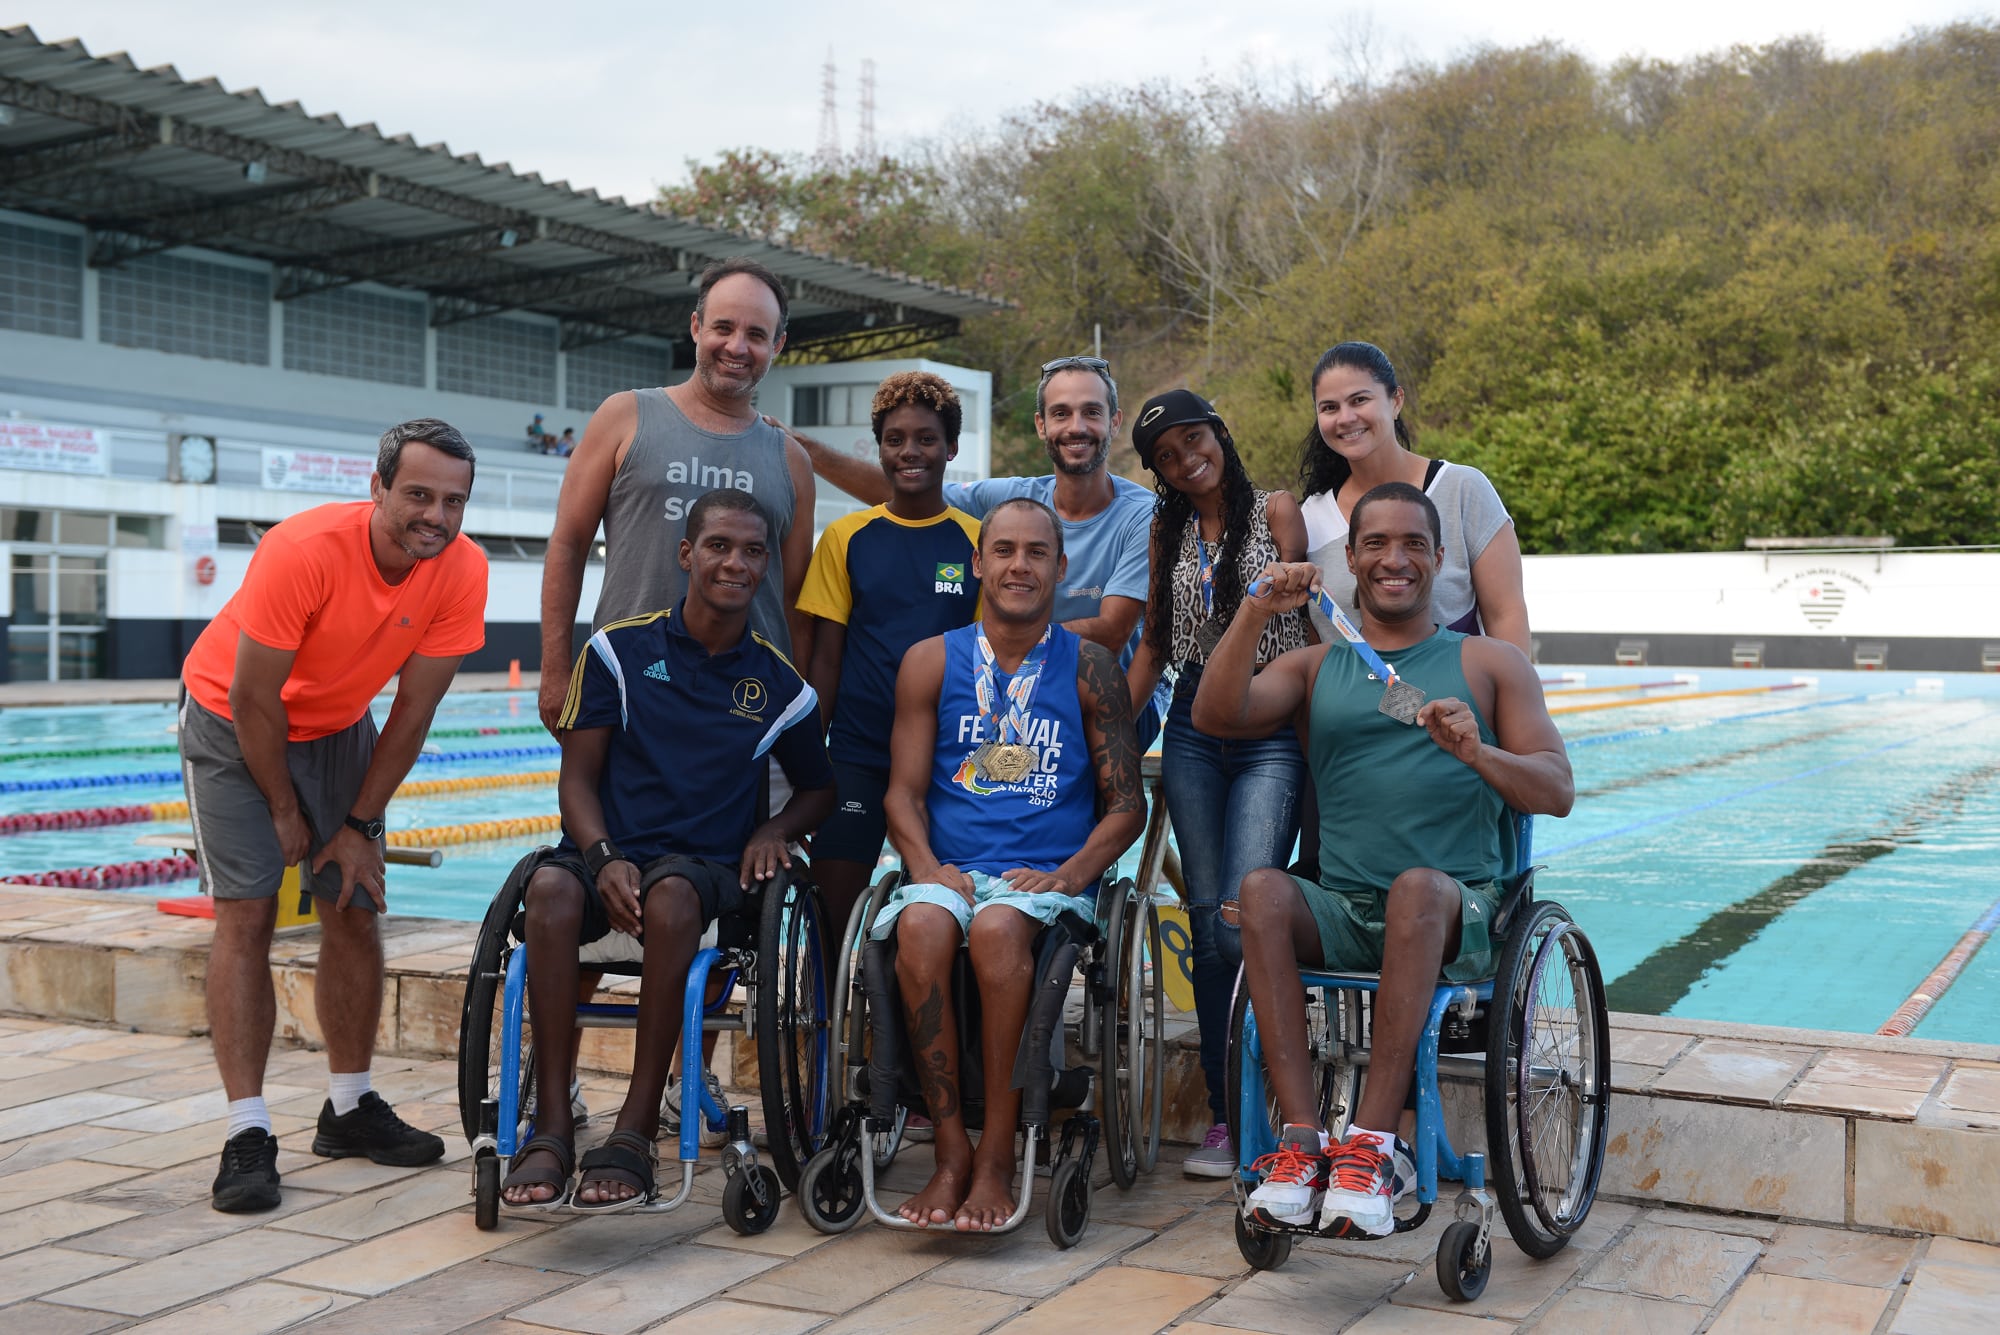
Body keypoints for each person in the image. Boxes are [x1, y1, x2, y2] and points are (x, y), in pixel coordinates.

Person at [1192, 482, 1572, 1240]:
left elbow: (1556, 789)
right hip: (1347, 908)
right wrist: (1255, 608)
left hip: (1454, 909)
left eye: (1413, 544)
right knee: (1264, 888)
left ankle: (1368, 1145)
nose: (1394, 559)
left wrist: (1480, 751)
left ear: (1439, 558)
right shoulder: (1315, 667)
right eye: (1375, 544)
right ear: (1350, 561)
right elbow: (1214, 715)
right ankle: (1300, 1142)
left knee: (1418, 889)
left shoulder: (1490, 663)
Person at [178, 419, 488, 1213]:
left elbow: (413, 714)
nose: (438, 516)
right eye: (419, 494)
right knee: (247, 914)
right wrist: (284, 809)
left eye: (454, 500)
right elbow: (253, 698)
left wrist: (360, 824)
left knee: (354, 898)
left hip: (339, 726)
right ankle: (247, 1132)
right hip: (231, 717)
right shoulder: (303, 549)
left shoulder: (461, 569)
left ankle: (349, 1107)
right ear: (377, 486)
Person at [500, 489, 835, 1211]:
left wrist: (775, 829)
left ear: (767, 566)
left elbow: (819, 790)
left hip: (702, 870)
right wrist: (599, 855)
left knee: (673, 894)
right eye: (718, 545)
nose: (734, 562)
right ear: (687, 554)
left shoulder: (780, 685)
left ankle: (633, 1128)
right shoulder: (619, 653)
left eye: (752, 551)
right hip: (605, 856)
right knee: (550, 891)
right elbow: (577, 780)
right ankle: (552, 1123)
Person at [877, 497, 1144, 1230]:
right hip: (952, 869)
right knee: (923, 928)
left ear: (1060, 568)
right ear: (978, 562)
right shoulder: (931, 660)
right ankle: (951, 1149)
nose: (1019, 565)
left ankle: (998, 1149)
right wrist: (925, 864)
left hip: (1044, 880)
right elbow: (900, 794)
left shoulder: (1092, 666)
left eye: (1036, 552)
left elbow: (1127, 806)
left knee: (998, 929)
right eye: (1004, 550)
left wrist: (1071, 874)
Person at [1123, 389, 1312, 1179]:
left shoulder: (1277, 509)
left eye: (1192, 438)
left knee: (1244, 913)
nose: (1184, 458)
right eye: (1165, 455)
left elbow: (1310, 620)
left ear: (1218, 434)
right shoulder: (1166, 528)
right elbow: (1156, 646)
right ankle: (1228, 1113)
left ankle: (1273, 1099)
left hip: (1271, 718)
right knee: (1207, 920)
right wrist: (1103, 741)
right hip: (1196, 726)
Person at [788, 355, 1166, 749]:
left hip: (1111, 697)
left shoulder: (1143, 516)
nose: (1076, 427)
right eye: (1060, 413)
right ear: (1041, 425)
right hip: (1021, 690)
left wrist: (996, 640)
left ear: (1115, 421)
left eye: (1091, 412)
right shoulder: (1013, 499)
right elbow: (912, 490)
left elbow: (1111, 632)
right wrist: (800, 448)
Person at [538, 257, 817, 734]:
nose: (736, 346)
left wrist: (799, 704)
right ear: (695, 327)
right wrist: (556, 671)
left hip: (744, 706)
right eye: (723, 327)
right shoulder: (625, 417)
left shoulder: (792, 461)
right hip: (627, 691)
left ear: (778, 345)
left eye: (755, 335)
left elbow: (794, 600)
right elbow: (568, 544)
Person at [796, 371, 981, 943]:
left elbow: (984, 668)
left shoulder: (977, 542)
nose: (910, 452)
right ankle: (826, 1027)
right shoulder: (846, 537)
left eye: (926, 438)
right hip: (857, 752)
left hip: (945, 761)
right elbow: (826, 662)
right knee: (832, 913)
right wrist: (807, 766)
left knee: (950, 911)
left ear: (950, 448)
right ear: (879, 448)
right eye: (895, 439)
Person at [1295, 342, 1529, 656]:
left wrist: (1514, 701)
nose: (1345, 418)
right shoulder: (1308, 518)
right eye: (1329, 408)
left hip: (1458, 703)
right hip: (1349, 705)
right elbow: (1312, 644)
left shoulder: (1462, 489)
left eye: (1360, 400)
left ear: (1396, 401)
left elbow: (1506, 614)